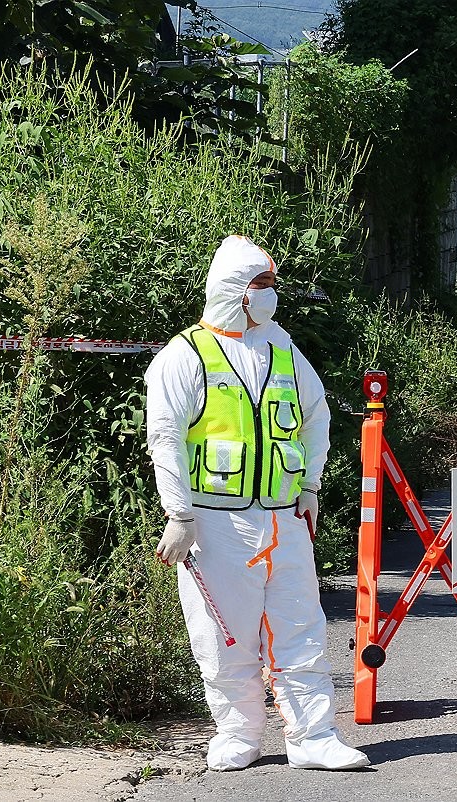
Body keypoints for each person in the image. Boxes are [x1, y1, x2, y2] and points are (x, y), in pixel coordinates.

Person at [145, 235, 369, 772]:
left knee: (301, 627)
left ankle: (313, 737)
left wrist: (311, 485)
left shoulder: (282, 348)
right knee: (224, 633)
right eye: (261, 285)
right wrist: (179, 513)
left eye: (271, 284)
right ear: (233, 291)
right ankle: (238, 733)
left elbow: (317, 416)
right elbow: (165, 437)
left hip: (284, 516)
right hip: (214, 524)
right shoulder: (184, 357)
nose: (271, 295)